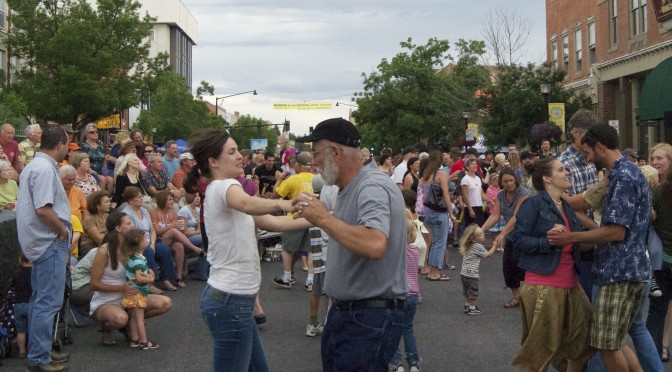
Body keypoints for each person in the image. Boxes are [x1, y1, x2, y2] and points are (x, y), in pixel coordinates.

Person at [185, 128, 312, 371]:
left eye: (237, 151)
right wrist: (284, 202)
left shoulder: (227, 190)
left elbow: (274, 222)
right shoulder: (225, 187)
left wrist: (320, 219)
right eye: (231, 152)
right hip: (230, 301)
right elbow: (245, 202)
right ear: (213, 161)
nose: (239, 156)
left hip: (234, 302)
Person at [296, 118, 407, 371]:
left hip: (369, 315)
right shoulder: (349, 187)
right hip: (351, 312)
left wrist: (322, 218)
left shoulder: (372, 186)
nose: (313, 162)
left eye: (316, 154)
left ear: (335, 152)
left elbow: (374, 243)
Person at [549, 124, 651, 371]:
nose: (587, 158)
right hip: (625, 269)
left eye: (588, 153)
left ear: (601, 147)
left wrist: (570, 238)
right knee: (612, 341)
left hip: (621, 271)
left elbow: (616, 231)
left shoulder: (624, 176)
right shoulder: (621, 173)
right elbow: (581, 201)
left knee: (607, 344)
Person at [510, 158, 593, 371]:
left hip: (571, 284)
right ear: (547, 178)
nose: (567, 173)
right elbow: (517, 239)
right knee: (540, 351)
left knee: (584, 341)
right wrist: (546, 241)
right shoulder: (533, 204)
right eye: (561, 170)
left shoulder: (566, 206)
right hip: (543, 284)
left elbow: (575, 241)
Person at [16, 125, 71, 372]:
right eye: (67, 144)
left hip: (40, 242)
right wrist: (61, 230)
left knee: (41, 300)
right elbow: (43, 209)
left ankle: (42, 350)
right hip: (48, 241)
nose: (67, 149)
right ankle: (39, 358)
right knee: (48, 302)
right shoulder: (44, 169)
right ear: (59, 144)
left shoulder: (35, 167)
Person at [89, 212, 172, 346]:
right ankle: (108, 328)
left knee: (165, 303)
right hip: (107, 301)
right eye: (128, 223)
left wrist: (149, 276)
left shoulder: (135, 249)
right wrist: (122, 288)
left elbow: (139, 274)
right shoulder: (104, 251)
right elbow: (93, 285)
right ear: (118, 228)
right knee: (120, 318)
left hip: (132, 298)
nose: (132, 225)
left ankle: (131, 324)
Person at [481, 168, 531, 308]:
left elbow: (517, 216)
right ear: (500, 182)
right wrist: (481, 230)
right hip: (511, 235)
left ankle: (529, 297)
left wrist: (502, 233)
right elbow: (495, 215)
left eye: (511, 180)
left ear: (516, 180)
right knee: (507, 267)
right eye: (505, 181)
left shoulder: (524, 193)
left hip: (525, 235)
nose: (509, 184)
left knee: (521, 266)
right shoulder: (501, 195)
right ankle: (516, 297)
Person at [120, 187, 178, 292]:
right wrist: (145, 244)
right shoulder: (126, 213)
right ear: (130, 200)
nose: (142, 199)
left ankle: (166, 279)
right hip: (136, 242)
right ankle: (151, 283)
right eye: (138, 197)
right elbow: (131, 233)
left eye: (142, 196)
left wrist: (152, 242)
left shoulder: (144, 210)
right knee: (148, 251)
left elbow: (152, 230)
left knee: (164, 248)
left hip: (149, 241)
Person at [271, 152, 314, 290]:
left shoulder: (292, 179)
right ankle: (311, 281)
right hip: (313, 217)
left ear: (298, 165)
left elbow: (275, 194)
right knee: (311, 250)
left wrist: (279, 179)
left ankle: (287, 278)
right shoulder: (317, 179)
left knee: (287, 249)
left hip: (294, 218)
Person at [150, 190, 205, 287]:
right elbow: (157, 231)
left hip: (170, 240)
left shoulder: (172, 213)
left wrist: (176, 227)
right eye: (170, 200)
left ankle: (178, 276)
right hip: (158, 240)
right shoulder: (154, 213)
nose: (173, 202)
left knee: (179, 246)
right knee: (173, 231)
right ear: (163, 201)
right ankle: (195, 249)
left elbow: (178, 229)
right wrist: (172, 226)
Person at [388, 218, 422, 372]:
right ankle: (414, 362)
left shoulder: (393, 252)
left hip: (398, 293)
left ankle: (396, 363)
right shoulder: (415, 251)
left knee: (391, 328)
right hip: (413, 294)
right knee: (408, 328)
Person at [121, 229, 159, 350]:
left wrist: (148, 271)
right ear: (138, 243)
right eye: (144, 239)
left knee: (133, 316)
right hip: (137, 292)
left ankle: (134, 339)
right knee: (139, 318)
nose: (146, 241)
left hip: (133, 291)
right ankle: (144, 341)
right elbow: (138, 278)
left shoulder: (135, 257)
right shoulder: (137, 260)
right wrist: (150, 279)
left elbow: (138, 272)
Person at [422, 150, 455, 281]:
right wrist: (451, 212)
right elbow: (446, 194)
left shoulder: (426, 175)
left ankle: (431, 269)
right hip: (439, 211)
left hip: (428, 211)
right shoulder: (440, 174)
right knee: (440, 243)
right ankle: (434, 272)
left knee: (434, 242)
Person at [459, 224, 497, 315]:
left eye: (482, 233)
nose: (483, 235)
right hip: (472, 274)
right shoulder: (478, 246)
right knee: (473, 291)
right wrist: (494, 246)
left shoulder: (468, 245)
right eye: (479, 235)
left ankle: (467, 305)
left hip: (464, 273)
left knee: (467, 290)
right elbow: (487, 255)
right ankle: (472, 308)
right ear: (472, 239)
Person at [9, 255, 32, 359]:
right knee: (33, 330)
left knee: (21, 331)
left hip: (18, 305)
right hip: (31, 304)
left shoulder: (17, 272)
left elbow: (11, 286)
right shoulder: (34, 273)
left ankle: (22, 351)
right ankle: (33, 350)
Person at [79, 123, 113, 193]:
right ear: (86, 134)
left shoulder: (100, 146)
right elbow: (82, 161)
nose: (95, 134)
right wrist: (89, 169)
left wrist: (105, 170)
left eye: (96, 132)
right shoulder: (83, 146)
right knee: (102, 179)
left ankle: (108, 198)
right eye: (92, 132)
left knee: (110, 180)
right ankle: (99, 200)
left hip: (100, 171)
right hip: (88, 171)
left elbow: (104, 161)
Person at [461, 158, 493, 227]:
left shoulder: (478, 178)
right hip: (471, 207)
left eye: (475, 164)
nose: (475, 166)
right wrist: (470, 209)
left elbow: (482, 193)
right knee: (472, 229)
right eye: (472, 164)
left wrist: (491, 202)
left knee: (479, 227)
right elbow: (465, 196)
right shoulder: (465, 179)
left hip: (479, 206)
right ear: (467, 167)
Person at [80, 190, 111, 259]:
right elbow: (99, 240)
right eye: (106, 202)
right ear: (97, 205)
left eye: (109, 201)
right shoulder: (89, 219)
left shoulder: (107, 216)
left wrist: (104, 234)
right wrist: (107, 234)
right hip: (89, 248)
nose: (109, 204)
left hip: (104, 246)